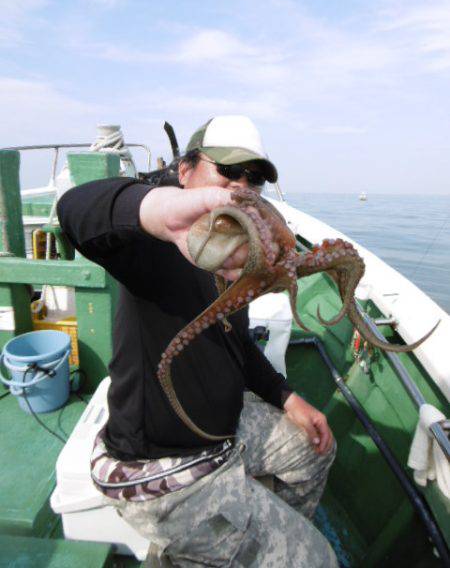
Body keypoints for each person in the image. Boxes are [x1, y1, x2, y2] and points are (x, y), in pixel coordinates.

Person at [57, 115, 338, 567]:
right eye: (227, 172)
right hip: (166, 465)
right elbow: (76, 210)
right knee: (319, 561)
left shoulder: (235, 257)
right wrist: (156, 211)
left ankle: (253, 541)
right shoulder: (150, 244)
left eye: (254, 178)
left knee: (316, 451)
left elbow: (238, 342)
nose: (241, 187)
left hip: (227, 427)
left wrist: (287, 398)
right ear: (185, 171)